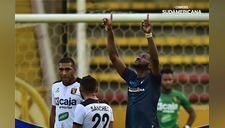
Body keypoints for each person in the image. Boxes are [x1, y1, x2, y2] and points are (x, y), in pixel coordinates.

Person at [102, 13, 161, 128]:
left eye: (143, 56)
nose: (138, 57)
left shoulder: (153, 80)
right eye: (139, 55)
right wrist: (109, 31)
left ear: (149, 65)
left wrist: (148, 34)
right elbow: (114, 57)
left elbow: (154, 59)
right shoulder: (131, 78)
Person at [50, 57, 84, 128]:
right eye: (61, 70)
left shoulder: (82, 85)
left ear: (74, 70)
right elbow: (53, 112)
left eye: (68, 69)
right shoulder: (55, 86)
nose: (64, 73)